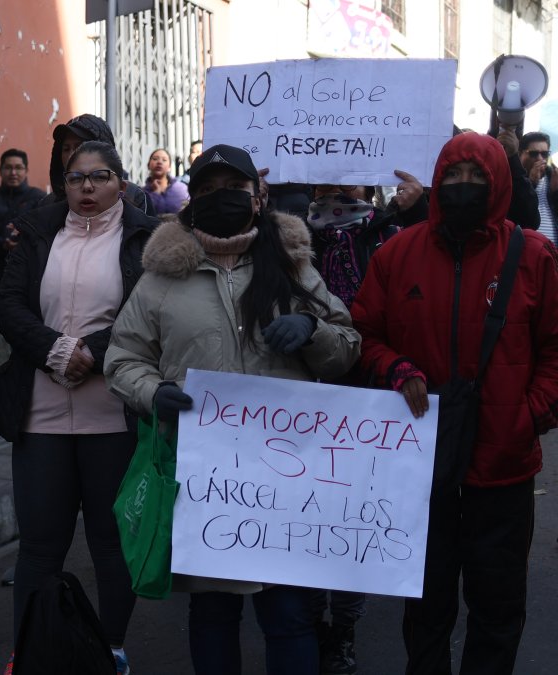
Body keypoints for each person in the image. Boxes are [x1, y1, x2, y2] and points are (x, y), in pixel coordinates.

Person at [103, 145, 360, 675]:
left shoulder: (293, 267)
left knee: (288, 615)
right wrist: (152, 393)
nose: (223, 197)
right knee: (212, 613)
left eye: (235, 188)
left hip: (284, 481)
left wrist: (313, 330)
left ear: (257, 197)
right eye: (209, 189)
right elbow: (123, 359)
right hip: (206, 482)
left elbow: (347, 347)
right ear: (192, 200)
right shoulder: (160, 278)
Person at [351, 131, 558, 674]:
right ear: (437, 182)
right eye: (453, 176)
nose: (464, 186)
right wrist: (395, 367)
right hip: (421, 466)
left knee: (497, 606)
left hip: (504, 467)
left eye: (477, 177)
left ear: (499, 183)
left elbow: (556, 348)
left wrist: (531, 413)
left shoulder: (534, 256)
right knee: (425, 604)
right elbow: (364, 334)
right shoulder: (397, 255)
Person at [0, 140, 156, 675]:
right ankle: (30, 652)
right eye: (75, 178)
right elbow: (9, 304)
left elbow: (148, 314)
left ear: (121, 185)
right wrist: (54, 349)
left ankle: (111, 649)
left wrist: (93, 353)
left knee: (110, 543)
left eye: (99, 177)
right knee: (39, 547)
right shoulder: (38, 233)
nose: (87, 187)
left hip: (113, 412)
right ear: (63, 185)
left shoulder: (146, 239)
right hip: (40, 413)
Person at [299, 174, 420, 674]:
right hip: (299, 400)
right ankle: (312, 623)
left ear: (370, 190)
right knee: (303, 521)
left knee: (353, 523)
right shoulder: (287, 237)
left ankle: (343, 629)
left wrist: (415, 210)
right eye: (327, 183)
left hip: (368, 401)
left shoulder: (391, 237)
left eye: (350, 184)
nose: (338, 192)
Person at [41, 114, 155, 217]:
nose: (71, 155)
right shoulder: (48, 205)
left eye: (79, 147)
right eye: (66, 149)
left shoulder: (135, 196)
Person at [0, 148, 45, 305]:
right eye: (8, 168)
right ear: (0, 171)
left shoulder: (38, 198)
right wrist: (2, 244)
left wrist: (21, 244)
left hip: (27, 272)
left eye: (18, 168)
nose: (13, 173)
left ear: (26, 170)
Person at [520, 131, 556, 242]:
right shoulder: (515, 180)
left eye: (544, 154)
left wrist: (556, 193)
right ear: (521, 154)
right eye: (533, 154)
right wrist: (531, 183)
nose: (540, 158)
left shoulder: (553, 178)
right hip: (526, 247)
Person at [142, 147, 189, 215]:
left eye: (164, 160)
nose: (159, 162)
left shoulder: (182, 189)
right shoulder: (142, 193)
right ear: (148, 165)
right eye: (155, 159)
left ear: (169, 167)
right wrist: (156, 193)